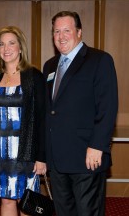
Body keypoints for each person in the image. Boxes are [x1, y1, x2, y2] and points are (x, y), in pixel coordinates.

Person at [43, 11, 118, 216]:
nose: (61, 36)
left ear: (79, 32)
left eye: (67, 30)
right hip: (57, 159)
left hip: (86, 156)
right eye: (56, 31)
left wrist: (97, 145)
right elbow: (50, 111)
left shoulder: (99, 60)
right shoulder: (50, 66)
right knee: (63, 211)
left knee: (88, 212)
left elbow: (107, 107)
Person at [0, 26, 47, 216]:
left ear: (20, 47)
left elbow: (42, 118)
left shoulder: (33, 76)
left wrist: (41, 157)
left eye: (11, 43)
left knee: (26, 201)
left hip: (25, 150)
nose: (6, 48)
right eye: (2, 44)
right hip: (0, 151)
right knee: (6, 199)